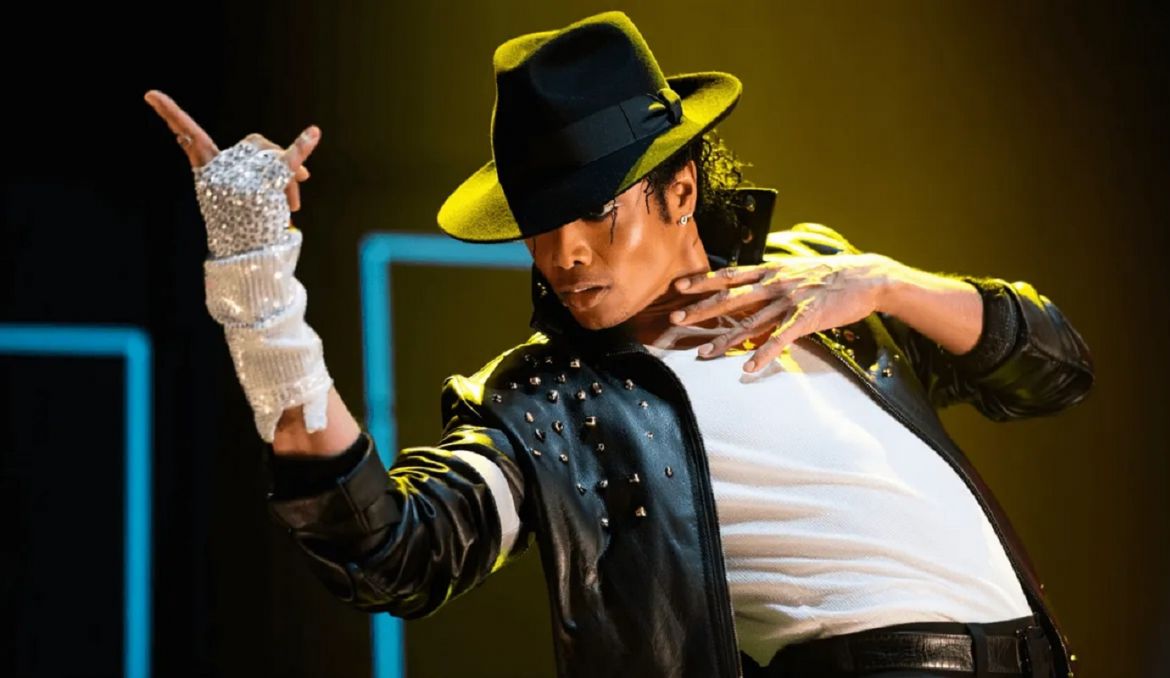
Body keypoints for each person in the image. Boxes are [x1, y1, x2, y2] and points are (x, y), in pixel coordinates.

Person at [146, 10, 1093, 678]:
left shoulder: (814, 276)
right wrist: (258, 287)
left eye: (596, 211)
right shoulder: (549, 402)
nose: (565, 254)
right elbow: (390, 549)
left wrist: (883, 282)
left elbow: (1052, 369)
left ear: (680, 189)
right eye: (541, 222)